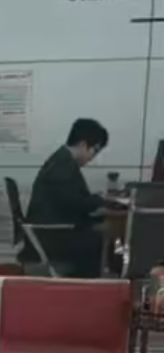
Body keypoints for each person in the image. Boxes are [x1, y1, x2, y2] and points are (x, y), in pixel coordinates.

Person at [25, 118, 109, 276]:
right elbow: (74, 203)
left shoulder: (61, 160)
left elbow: (72, 200)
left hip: (52, 232)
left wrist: (98, 201)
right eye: (95, 150)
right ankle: (85, 287)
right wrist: (101, 201)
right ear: (83, 145)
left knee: (101, 230)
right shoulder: (62, 166)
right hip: (53, 238)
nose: (93, 157)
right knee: (100, 240)